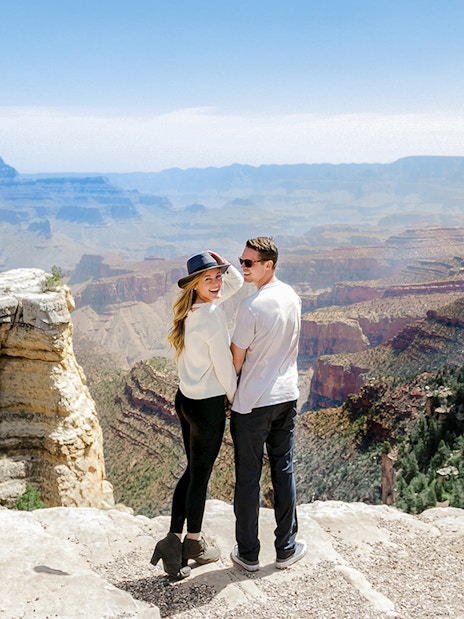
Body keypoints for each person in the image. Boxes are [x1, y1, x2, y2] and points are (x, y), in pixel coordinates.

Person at [151, 251, 243, 579]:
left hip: (185, 400)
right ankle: (189, 542)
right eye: (209, 278)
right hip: (206, 407)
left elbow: (234, 283)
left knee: (192, 472)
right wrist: (236, 400)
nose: (218, 283)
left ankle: (177, 541)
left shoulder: (192, 309)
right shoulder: (213, 316)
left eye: (218, 276)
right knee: (199, 477)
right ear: (195, 284)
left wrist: (221, 267)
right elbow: (223, 364)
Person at [229, 236, 306, 572]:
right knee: (283, 467)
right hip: (287, 396)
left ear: (268, 265)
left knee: (248, 478)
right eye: (242, 262)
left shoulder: (251, 307)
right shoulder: (292, 296)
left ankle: (248, 554)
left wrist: (225, 395)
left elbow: (236, 359)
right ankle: (286, 547)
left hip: (253, 403)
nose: (243, 267)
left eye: (249, 263)